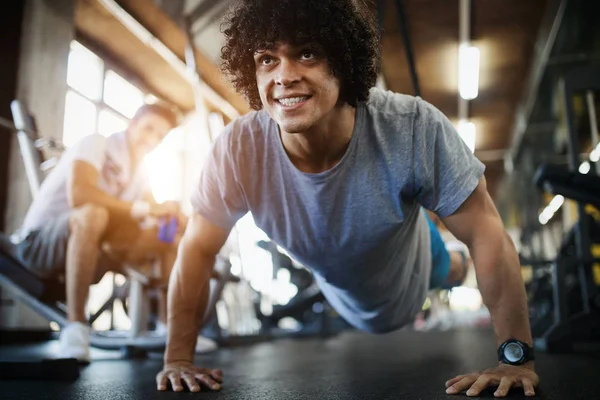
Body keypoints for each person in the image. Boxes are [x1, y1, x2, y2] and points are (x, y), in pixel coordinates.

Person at [156, 0, 539, 397]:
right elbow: (196, 250)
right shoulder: (237, 150)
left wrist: (516, 360)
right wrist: (178, 359)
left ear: (343, 60)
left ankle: (433, 240)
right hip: (340, 282)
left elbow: (485, 231)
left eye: (307, 53)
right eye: (267, 59)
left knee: (448, 265)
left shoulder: (410, 127)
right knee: (357, 266)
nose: (284, 76)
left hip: (413, 264)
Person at [15, 102, 215, 362]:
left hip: (90, 251)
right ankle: (76, 328)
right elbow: (79, 195)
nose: (152, 139)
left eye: (160, 135)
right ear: (132, 123)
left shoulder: (140, 174)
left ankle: (172, 329)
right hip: (39, 247)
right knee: (92, 213)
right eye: (149, 128)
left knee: (168, 235)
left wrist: (172, 217)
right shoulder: (97, 143)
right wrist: (146, 208)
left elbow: (151, 215)